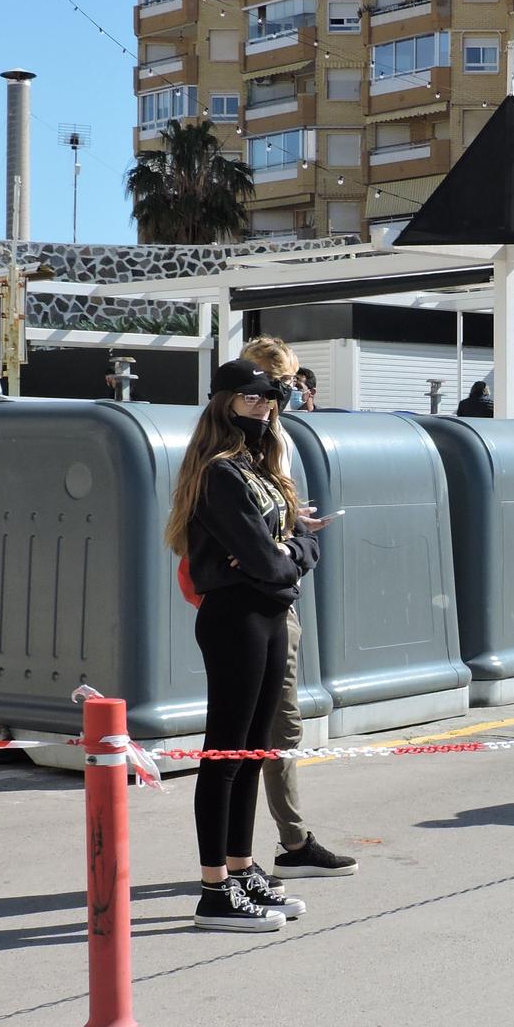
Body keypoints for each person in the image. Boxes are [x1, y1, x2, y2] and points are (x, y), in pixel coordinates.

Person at [166, 359, 332, 931]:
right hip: (234, 618)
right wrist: (283, 556)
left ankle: (239, 869)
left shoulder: (256, 467)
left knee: (253, 751)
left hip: (266, 611)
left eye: (270, 401)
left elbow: (295, 548)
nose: (264, 409)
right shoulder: (219, 474)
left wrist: (290, 552)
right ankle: (214, 887)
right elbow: (268, 558)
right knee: (225, 756)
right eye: (252, 399)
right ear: (225, 403)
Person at [240, 339, 357, 878]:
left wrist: (291, 530)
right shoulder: (252, 443)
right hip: (263, 604)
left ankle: (237, 859)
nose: (281, 398)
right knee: (271, 731)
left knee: (252, 731)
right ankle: (283, 847)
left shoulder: (251, 439)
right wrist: (295, 546)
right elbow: (270, 552)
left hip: (257, 602)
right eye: (278, 387)